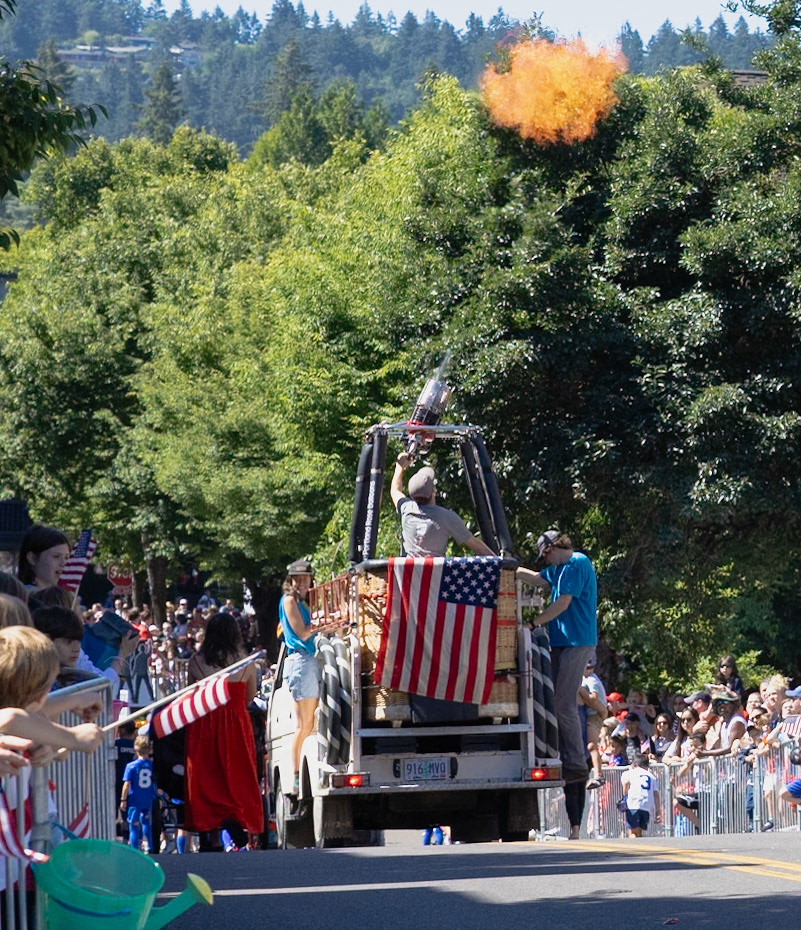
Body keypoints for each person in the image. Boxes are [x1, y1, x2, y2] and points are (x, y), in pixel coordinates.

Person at [185, 612, 263, 849]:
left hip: (205, 723)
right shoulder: (246, 663)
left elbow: (190, 695)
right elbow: (249, 697)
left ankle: (212, 831)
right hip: (236, 725)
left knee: (206, 776)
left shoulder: (196, 662)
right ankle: (236, 817)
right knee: (237, 775)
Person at [279, 559, 344, 795]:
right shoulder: (289, 601)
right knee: (304, 724)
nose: (304, 582)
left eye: (306, 578)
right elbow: (302, 632)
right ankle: (296, 775)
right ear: (292, 580)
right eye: (300, 579)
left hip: (308, 661)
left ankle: (300, 774)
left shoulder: (302, 602)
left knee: (310, 723)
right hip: (301, 661)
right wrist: (326, 623)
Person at [390, 452, 495, 557]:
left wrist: (400, 467)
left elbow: (395, 490)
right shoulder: (447, 517)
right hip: (436, 572)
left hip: (409, 572)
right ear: (434, 491)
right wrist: (505, 565)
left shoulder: (406, 508)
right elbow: (476, 545)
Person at [121, 736, 162, 853]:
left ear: (136, 749)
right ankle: (149, 847)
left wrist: (123, 799)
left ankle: (135, 849)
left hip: (135, 799)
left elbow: (126, 784)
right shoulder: (152, 765)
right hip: (148, 798)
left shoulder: (131, 766)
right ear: (149, 749)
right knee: (146, 823)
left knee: (133, 825)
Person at [620, 752, 662, 838]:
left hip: (633, 804)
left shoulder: (630, 773)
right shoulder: (651, 776)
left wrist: (625, 796)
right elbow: (656, 794)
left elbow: (626, 783)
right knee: (639, 832)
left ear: (633, 765)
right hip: (646, 807)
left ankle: (632, 849)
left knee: (632, 832)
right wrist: (658, 811)